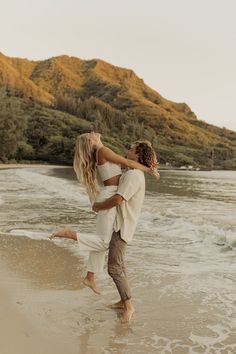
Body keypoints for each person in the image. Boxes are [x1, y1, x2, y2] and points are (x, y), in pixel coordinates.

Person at [51, 140, 159, 322]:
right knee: (118, 265)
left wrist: (99, 206)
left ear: (138, 155)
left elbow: (118, 199)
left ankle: (129, 307)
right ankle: (122, 301)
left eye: (131, 148)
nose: (128, 149)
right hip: (119, 223)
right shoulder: (132, 172)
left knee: (115, 268)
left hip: (122, 226)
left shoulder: (134, 175)